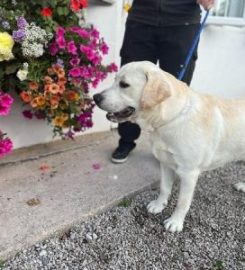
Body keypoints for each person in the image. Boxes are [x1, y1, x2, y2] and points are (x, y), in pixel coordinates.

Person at [111, 0, 214, 163]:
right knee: (128, 85)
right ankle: (126, 140)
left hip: (183, 22)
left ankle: (172, 148)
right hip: (141, 19)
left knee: (177, 92)